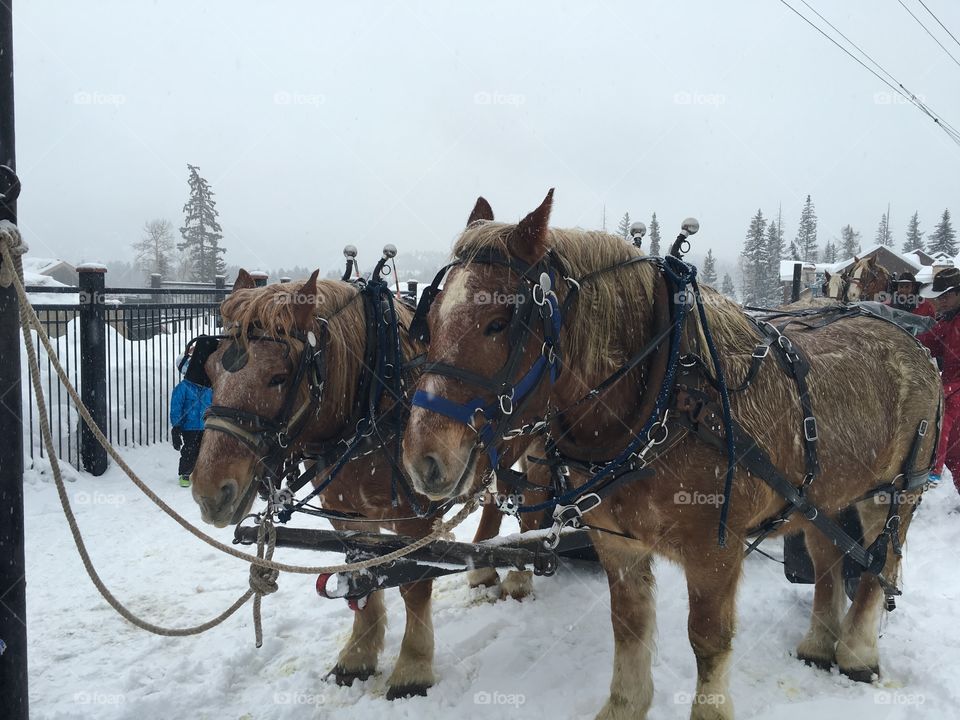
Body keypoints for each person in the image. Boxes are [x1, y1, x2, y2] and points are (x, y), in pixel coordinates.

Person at [917, 267, 960, 493]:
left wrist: (948, 388)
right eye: (939, 297)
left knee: (939, 414)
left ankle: (931, 471)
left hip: (955, 387)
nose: (940, 301)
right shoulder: (948, 321)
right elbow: (930, 341)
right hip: (952, 383)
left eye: (945, 296)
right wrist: (905, 339)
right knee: (955, 451)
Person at [170, 347, 212, 488]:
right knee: (190, 450)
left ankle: (203, 474)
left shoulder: (209, 388)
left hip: (207, 425)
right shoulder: (183, 388)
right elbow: (176, 407)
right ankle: (185, 473)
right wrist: (176, 426)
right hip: (189, 426)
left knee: (206, 451)